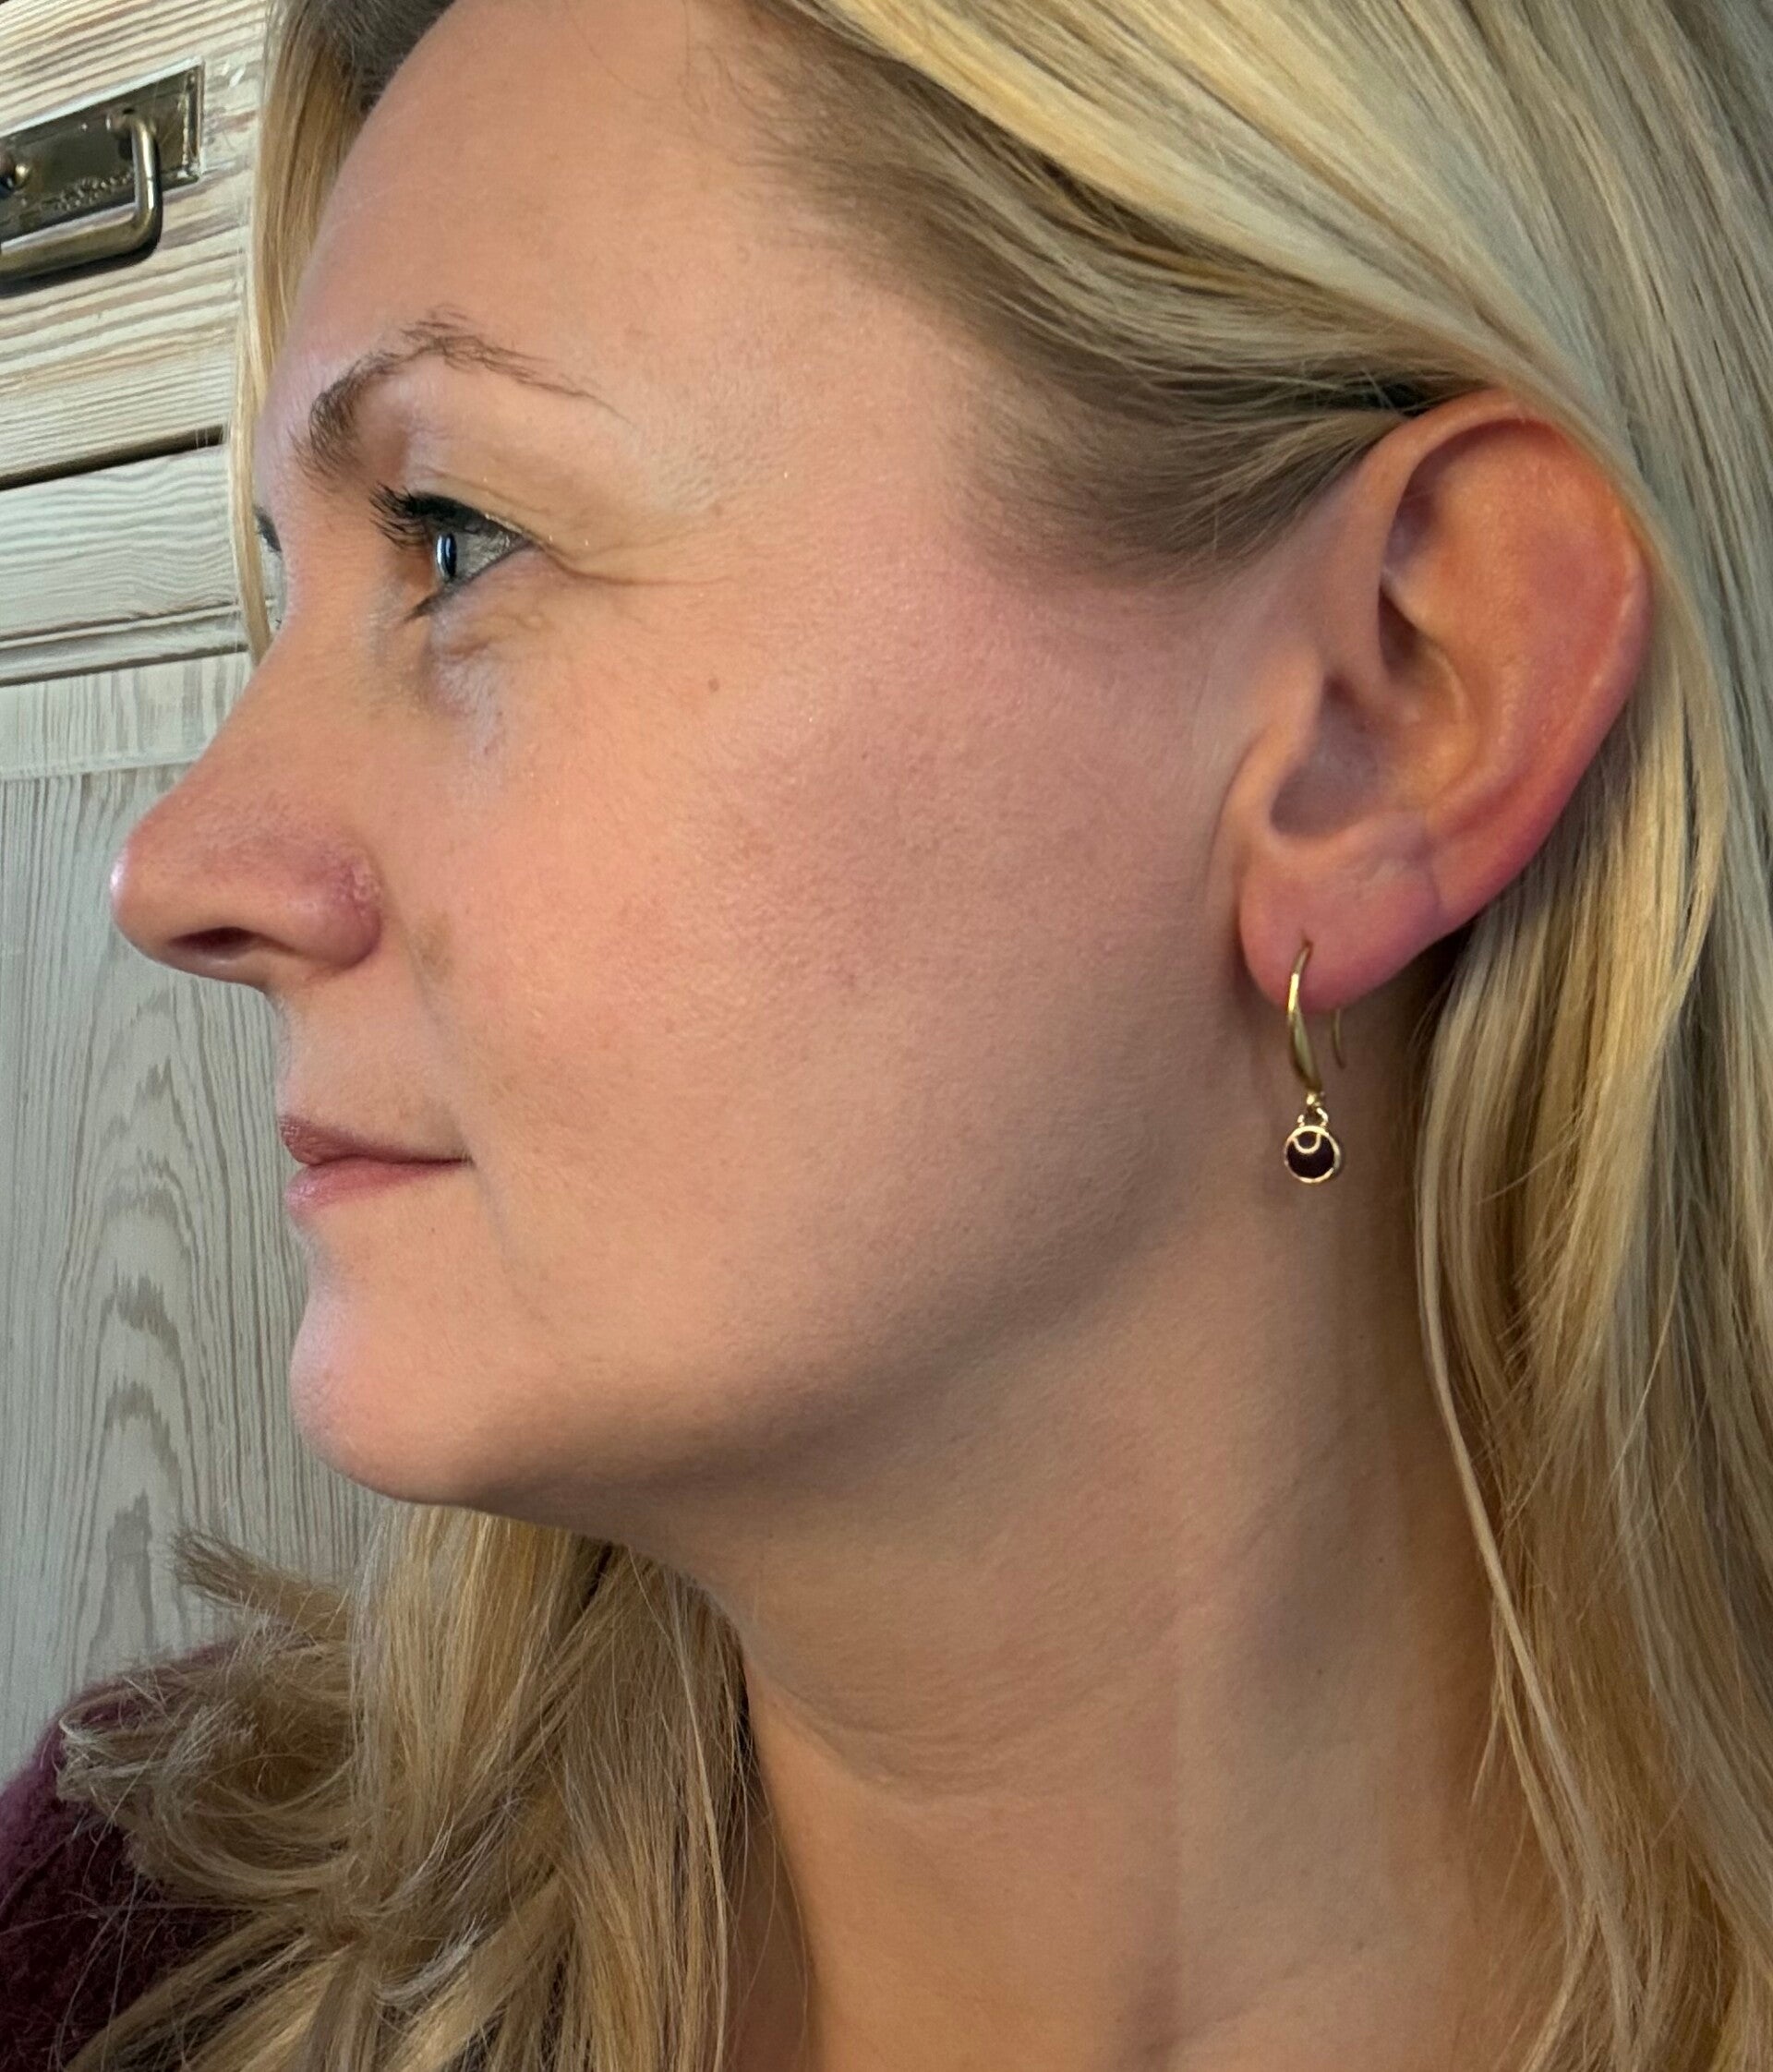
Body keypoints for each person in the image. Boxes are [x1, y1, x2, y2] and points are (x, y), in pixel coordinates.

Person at [5, 0, 1769, 2066]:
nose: (179, 871)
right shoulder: (126, 1955)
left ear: (1390, 709)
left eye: (458, 537)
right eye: (280, 597)